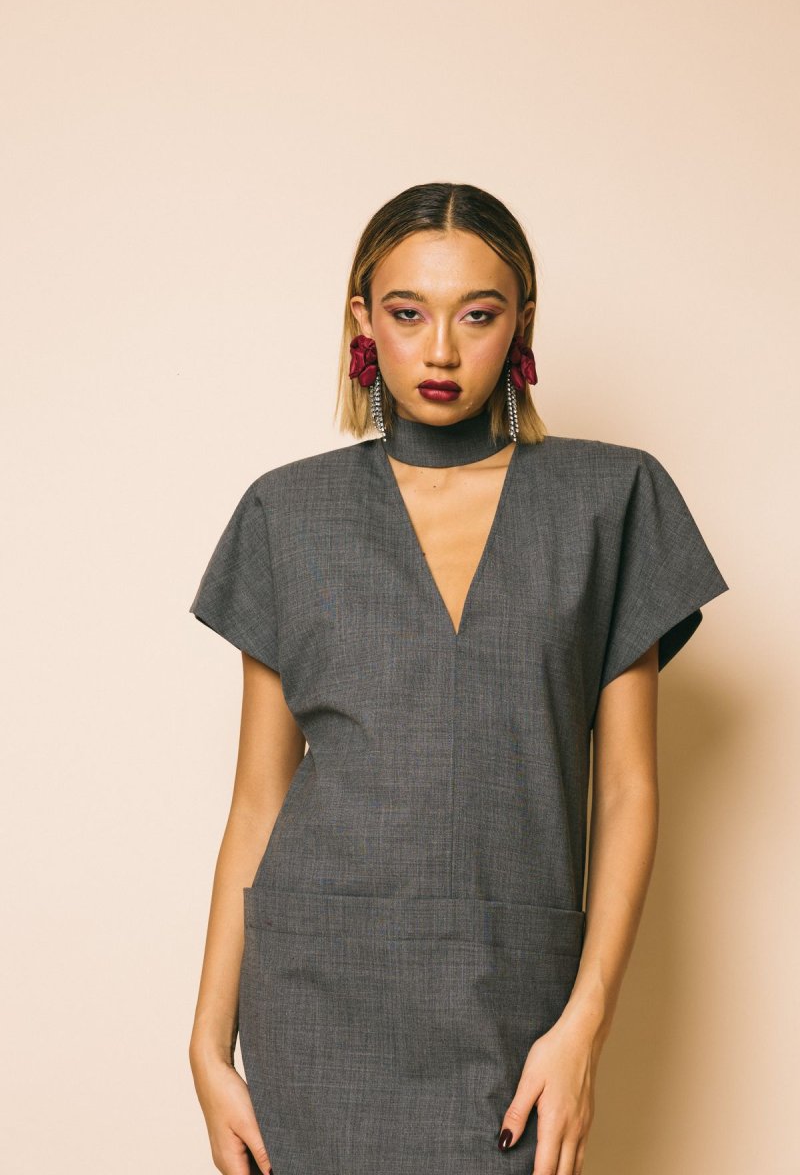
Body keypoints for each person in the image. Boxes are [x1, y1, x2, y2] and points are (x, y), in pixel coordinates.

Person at [187, 182, 729, 1175]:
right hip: (313, 1002)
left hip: (511, 996)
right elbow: (258, 798)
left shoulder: (610, 501)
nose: (440, 350)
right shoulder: (286, 513)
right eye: (408, 313)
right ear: (363, 321)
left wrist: (584, 1025)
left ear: (522, 321)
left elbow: (626, 789)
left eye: (477, 315)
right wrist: (206, 1047)